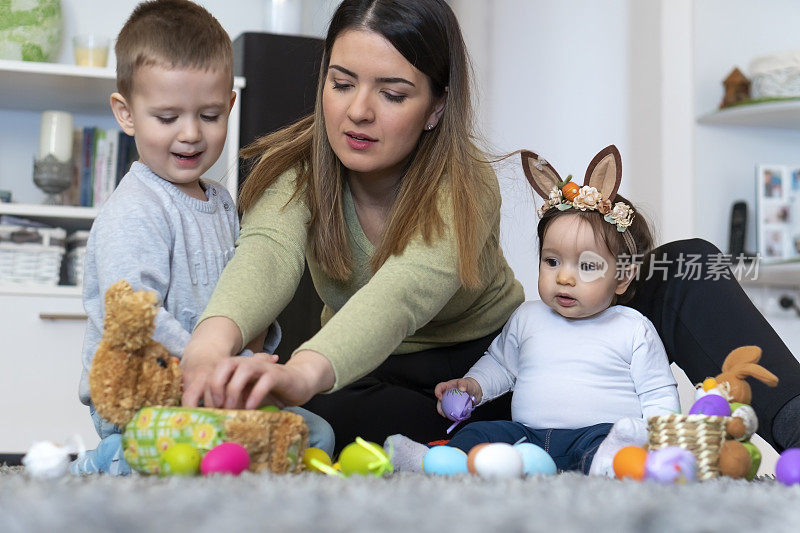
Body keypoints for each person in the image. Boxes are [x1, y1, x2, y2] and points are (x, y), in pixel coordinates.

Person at [183, 0, 800, 455]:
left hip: (499, 366)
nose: (358, 111)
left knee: (687, 262)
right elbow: (263, 257)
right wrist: (209, 351)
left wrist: (301, 369)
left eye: (393, 94)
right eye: (341, 83)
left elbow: (404, 291)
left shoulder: (465, 181)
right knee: (323, 431)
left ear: (437, 108)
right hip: (378, 375)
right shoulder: (295, 172)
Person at [73, 0, 333, 475]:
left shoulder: (221, 203)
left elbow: (247, 295)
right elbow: (136, 315)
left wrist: (251, 353)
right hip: (146, 395)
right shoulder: (136, 209)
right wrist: (207, 358)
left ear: (231, 105)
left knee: (317, 435)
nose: (190, 134)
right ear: (126, 114)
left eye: (209, 115)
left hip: (213, 390)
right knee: (184, 457)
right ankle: (111, 458)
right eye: (167, 118)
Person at [386, 146, 680, 475]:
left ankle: (610, 461)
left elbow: (657, 391)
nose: (565, 277)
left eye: (587, 266)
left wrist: (664, 441)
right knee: (481, 433)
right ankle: (431, 459)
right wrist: (473, 386)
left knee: (614, 441)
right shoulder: (528, 318)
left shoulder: (632, 328)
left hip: (598, 432)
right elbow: (500, 364)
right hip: (528, 435)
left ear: (622, 277)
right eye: (552, 261)